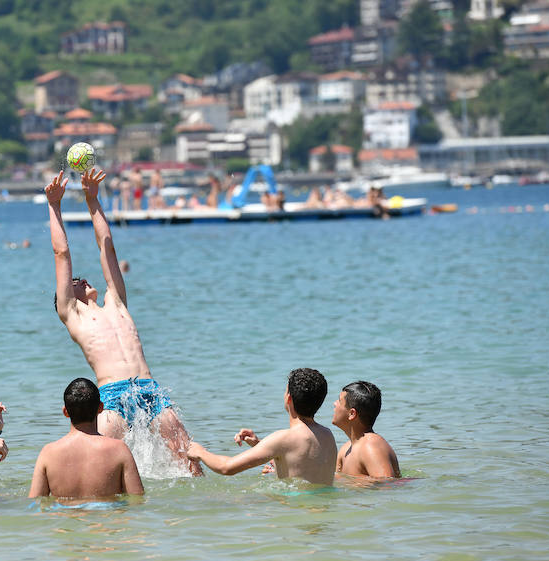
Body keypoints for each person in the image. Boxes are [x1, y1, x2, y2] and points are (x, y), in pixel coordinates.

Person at [45, 168, 202, 476]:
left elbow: (108, 247)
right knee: (101, 470)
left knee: (190, 464)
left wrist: (93, 201)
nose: (81, 279)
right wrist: (54, 206)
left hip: (151, 391)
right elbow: (61, 253)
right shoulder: (71, 313)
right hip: (112, 398)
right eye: (74, 282)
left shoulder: (116, 303)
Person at [186, 368, 337, 485]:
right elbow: (300, 463)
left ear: (288, 398)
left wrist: (201, 452)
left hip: (295, 512)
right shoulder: (327, 435)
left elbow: (227, 468)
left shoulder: (283, 438)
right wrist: (259, 445)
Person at [29, 377, 144, 499]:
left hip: (65, 516)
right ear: (100, 408)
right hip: (107, 516)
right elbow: (137, 499)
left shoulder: (48, 453)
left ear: (65, 412)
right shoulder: (119, 449)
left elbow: (34, 502)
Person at [332, 381, 400, 478]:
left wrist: (353, 482)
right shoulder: (345, 449)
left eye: (339, 401)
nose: (334, 404)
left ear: (352, 414)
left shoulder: (371, 446)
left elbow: (387, 485)